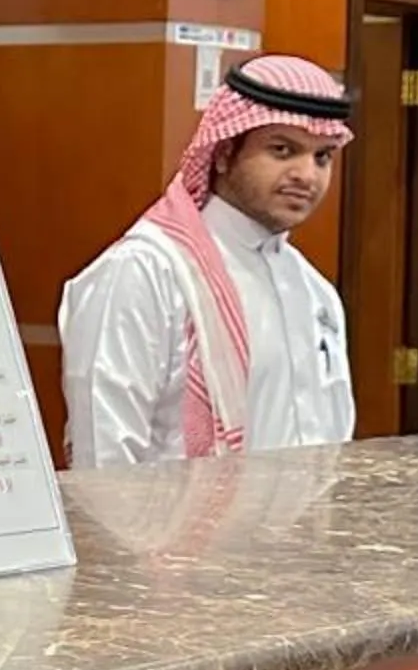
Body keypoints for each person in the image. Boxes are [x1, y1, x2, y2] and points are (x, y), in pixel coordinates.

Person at [59, 55, 356, 469]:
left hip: (293, 534)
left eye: (322, 156)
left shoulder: (314, 290)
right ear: (223, 152)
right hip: (174, 531)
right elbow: (104, 461)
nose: (306, 175)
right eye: (282, 149)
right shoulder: (147, 272)